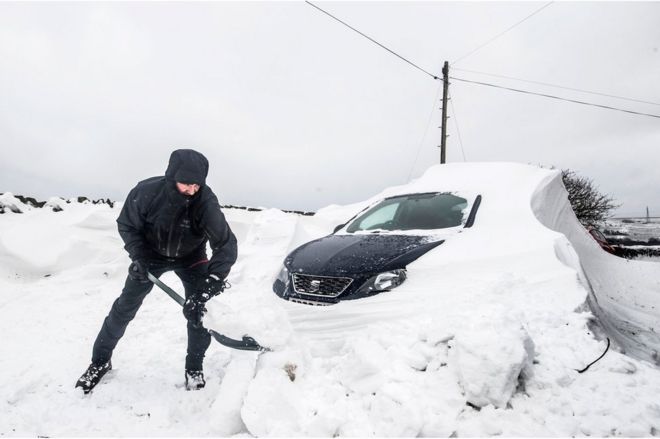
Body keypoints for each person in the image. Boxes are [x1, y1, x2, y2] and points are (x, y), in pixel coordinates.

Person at [76, 149, 238, 393]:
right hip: (149, 256)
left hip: (191, 258)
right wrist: (139, 256)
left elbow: (225, 243)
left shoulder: (205, 201)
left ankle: (194, 368)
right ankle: (100, 361)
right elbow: (127, 225)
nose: (192, 190)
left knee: (199, 313)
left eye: (197, 185)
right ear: (171, 177)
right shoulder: (146, 192)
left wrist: (211, 283)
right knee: (124, 308)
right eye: (186, 184)